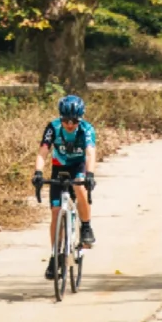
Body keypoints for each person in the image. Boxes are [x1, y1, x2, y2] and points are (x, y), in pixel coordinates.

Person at [32, 92, 97, 279]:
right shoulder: (53, 127)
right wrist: (38, 172)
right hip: (59, 168)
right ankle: (55, 256)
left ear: (80, 119)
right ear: (61, 118)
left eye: (74, 121)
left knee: (78, 185)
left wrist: (90, 175)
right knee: (55, 212)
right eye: (66, 120)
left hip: (78, 166)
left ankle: (86, 226)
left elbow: (91, 153)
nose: (70, 125)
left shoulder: (86, 129)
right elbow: (43, 151)